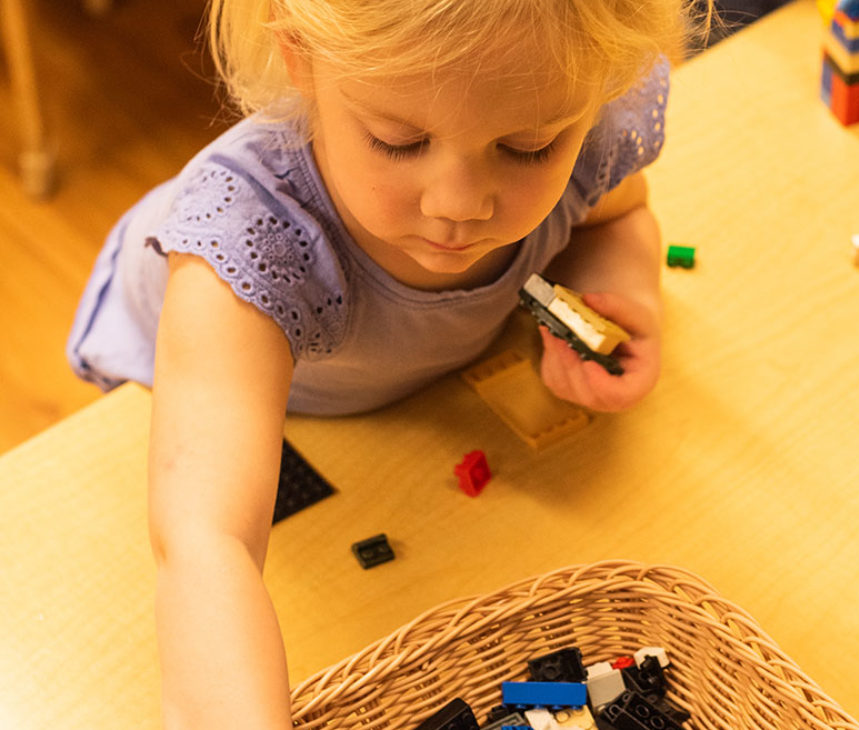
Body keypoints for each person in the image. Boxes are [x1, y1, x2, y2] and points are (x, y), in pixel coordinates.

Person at [66, 0, 713, 726]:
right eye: (399, 141)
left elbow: (617, 215)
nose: (458, 204)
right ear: (299, 56)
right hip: (218, 381)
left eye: (528, 148)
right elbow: (203, 541)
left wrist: (620, 294)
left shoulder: (583, 117)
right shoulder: (245, 244)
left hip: (413, 390)